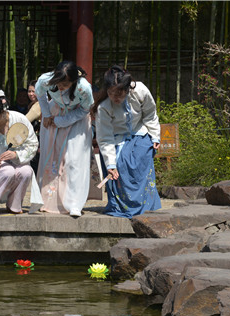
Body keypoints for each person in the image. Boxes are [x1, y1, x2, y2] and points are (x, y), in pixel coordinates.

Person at [91, 65, 161, 218]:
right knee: (119, 165)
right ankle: (121, 206)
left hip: (139, 133)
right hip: (116, 139)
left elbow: (150, 113)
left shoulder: (140, 90)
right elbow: (105, 138)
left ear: (128, 88)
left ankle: (146, 205)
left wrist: (155, 135)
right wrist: (110, 164)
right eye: (111, 93)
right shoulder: (104, 107)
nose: (116, 97)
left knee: (142, 157)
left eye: (120, 93)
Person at [35, 61, 94, 217]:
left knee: (73, 159)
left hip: (77, 118)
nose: (60, 86)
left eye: (65, 83)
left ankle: (74, 203)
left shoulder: (83, 88)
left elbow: (86, 108)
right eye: (58, 82)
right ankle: (48, 200)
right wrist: (46, 113)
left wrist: (64, 120)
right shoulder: (45, 79)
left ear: (74, 81)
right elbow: (40, 94)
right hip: (53, 113)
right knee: (51, 155)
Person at [25, 80, 41, 173]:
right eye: (29, 91)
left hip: (38, 141)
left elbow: (25, 121)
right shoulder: (36, 104)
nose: (31, 94)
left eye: (33, 91)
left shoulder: (38, 105)